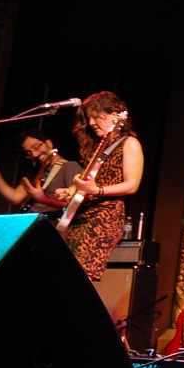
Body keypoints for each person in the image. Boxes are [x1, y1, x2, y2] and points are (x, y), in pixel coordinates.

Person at [54, 91, 144, 281]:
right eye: (89, 119)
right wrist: (70, 191)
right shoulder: (97, 149)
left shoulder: (130, 143)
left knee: (80, 278)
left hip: (105, 217)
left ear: (115, 114)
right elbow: (89, 182)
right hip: (81, 216)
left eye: (96, 117)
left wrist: (97, 190)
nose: (92, 123)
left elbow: (132, 185)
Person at [0, 128, 81, 217]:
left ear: (49, 143)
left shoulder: (69, 166)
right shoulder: (36, 171)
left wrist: (42, 199)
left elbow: (74, 205)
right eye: (29, 153)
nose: (34, 154)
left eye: (36, 147)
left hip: (50, 225)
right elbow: (15, 197)